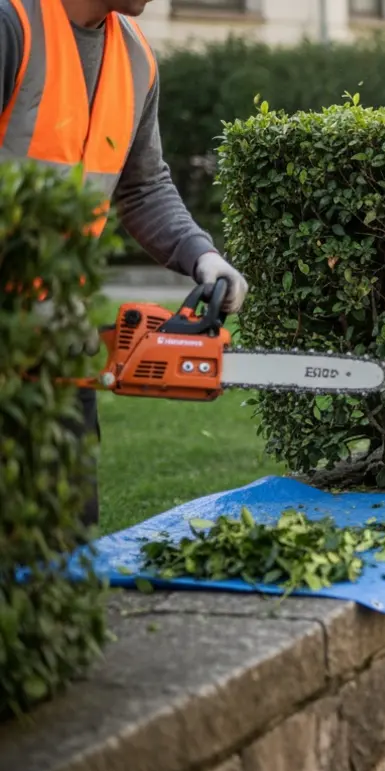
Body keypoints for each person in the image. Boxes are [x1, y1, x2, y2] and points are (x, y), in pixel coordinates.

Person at [1, 0, 250, 529]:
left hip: (59, 344)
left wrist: (201, 255)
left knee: (61, 538)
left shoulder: (134, 56)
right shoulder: (12, 25)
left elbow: (142, 186)